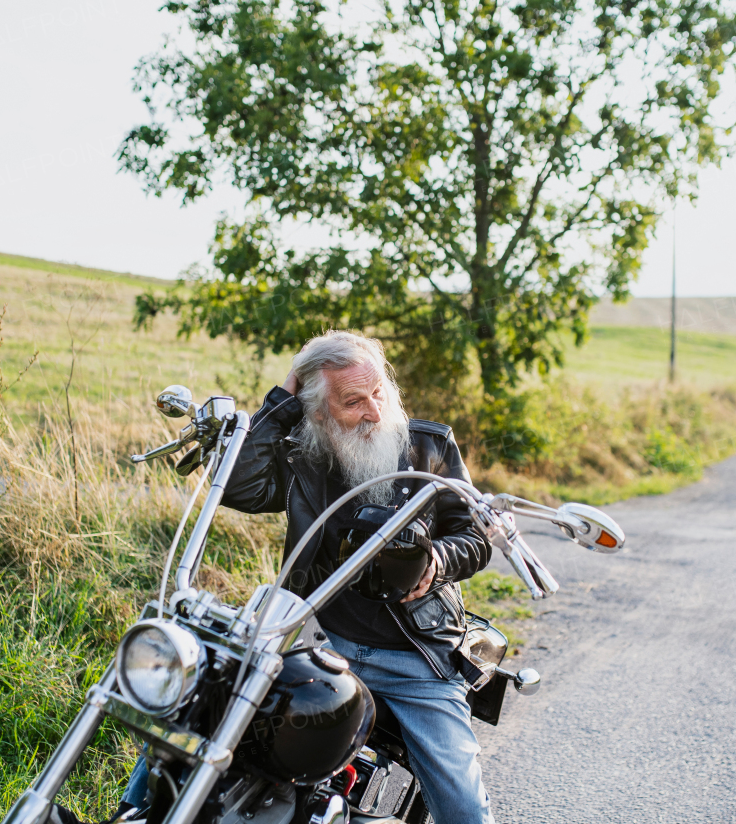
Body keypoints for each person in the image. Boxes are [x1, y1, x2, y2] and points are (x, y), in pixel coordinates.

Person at [100, 330, 496, 824]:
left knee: (463, 806)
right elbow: (238, 486)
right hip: (311, 639)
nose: (374, 410)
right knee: (201, 712)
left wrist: (437, 562)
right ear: (318, 412)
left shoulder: (429, 447)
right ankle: (137, 813)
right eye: (352, 401)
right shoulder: (304, 454)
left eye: (378, 392)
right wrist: (285, 397)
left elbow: (476, 536)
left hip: (413, 655)